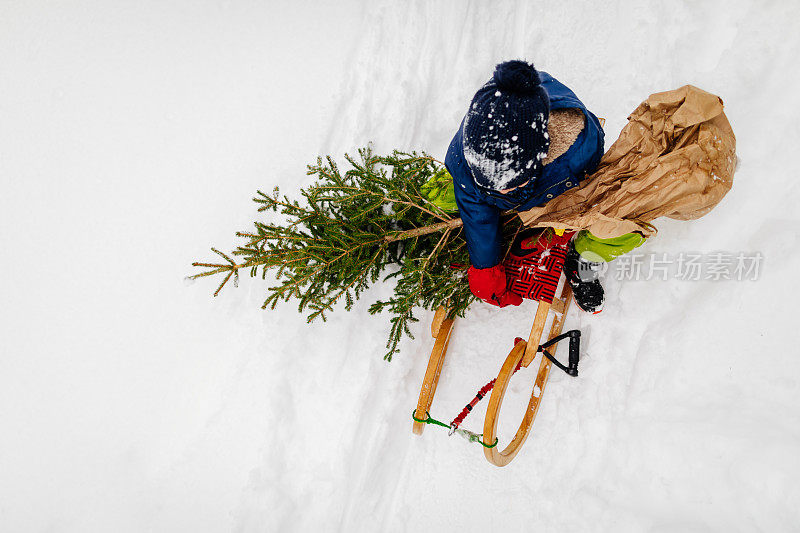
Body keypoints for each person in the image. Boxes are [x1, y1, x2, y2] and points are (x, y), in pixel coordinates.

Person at [441, 60, 644, 313]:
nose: (499, 190)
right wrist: (486, 268)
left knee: (625, 221)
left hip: (565, 182)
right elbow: (475, 207)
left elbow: (591, 190)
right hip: (524, 185)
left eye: (508, 185)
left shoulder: (577, 149)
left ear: (538, 158)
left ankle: (582, 257)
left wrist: (566, 218)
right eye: (490, 185)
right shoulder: (463, 158)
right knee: (458, 193)